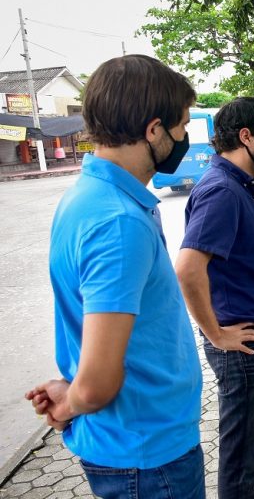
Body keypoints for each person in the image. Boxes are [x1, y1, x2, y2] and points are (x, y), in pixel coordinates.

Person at [25, 55, 204, 498]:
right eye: (181, 127)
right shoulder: (118, 223)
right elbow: (101, 380)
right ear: (153, 129)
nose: (183, 139)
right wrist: (73, 399)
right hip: (147, 456)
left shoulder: (89, 197)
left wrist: (73, 385)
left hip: (137, 446)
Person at [176, 97, 254, 499]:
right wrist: (216, 334)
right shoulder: (222, 189)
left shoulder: (237, 184)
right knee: (239, 459)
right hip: (241, 347)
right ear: (246, 136)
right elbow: (188, 268)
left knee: (246, 449)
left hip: (253, 338)